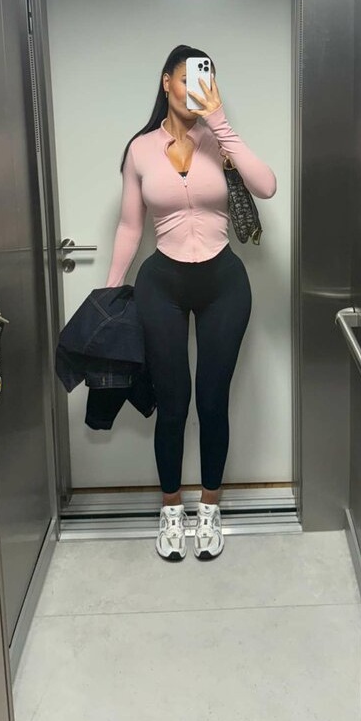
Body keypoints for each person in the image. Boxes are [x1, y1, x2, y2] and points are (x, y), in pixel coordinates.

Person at [105, 44, 276, 562]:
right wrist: (110, 293)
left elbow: (266, 186)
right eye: (187, 79)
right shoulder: (140, 150)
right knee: (173, 403)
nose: (196, 88)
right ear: (167, 83)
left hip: (224, 283)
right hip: (162, 285)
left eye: (206, 79)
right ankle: (171, 510)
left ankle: (210, 509)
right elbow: (130, 226)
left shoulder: (219, 139)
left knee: (213, 401)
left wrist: (220, 123)